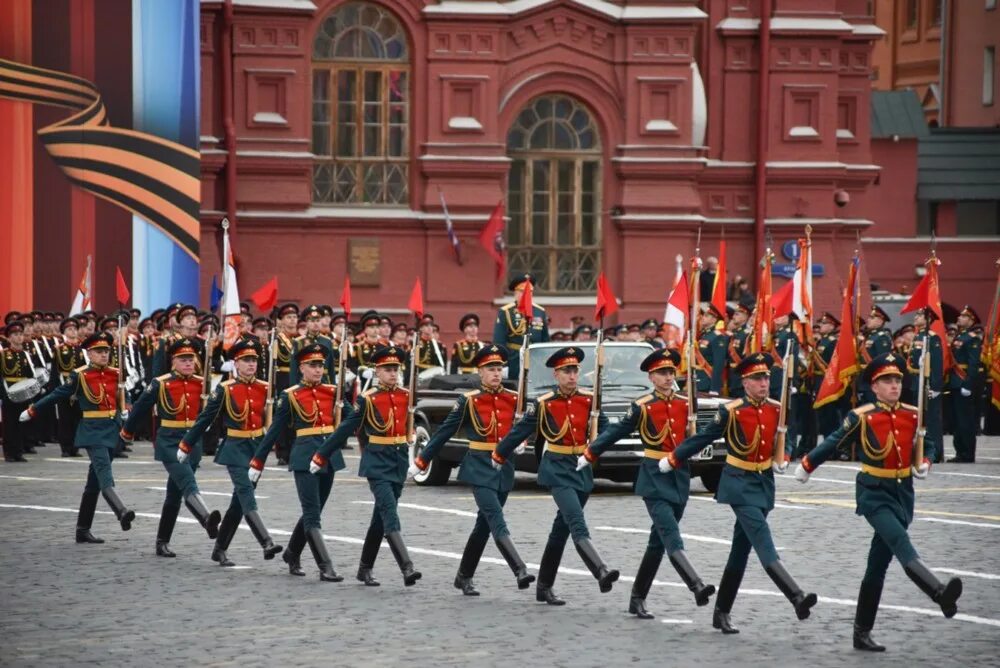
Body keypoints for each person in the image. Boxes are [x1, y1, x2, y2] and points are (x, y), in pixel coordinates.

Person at [795, 352, 963, 651]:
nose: (894, 385)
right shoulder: (861, 416)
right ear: (874, 386)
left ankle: (861, 632)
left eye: (897, 379)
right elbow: (835, 441)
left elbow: (930, 442)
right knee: (900, 543)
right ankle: (937, 592)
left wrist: (926, 459)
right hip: (874, 492)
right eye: (887, 381)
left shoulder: (913, 413)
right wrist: (808, 464)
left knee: (876, 568)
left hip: (903, 494)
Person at [663, 352, 817, 633]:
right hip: (738, 484)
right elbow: (704, 437)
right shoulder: (731, 410)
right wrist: (675, 457)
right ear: (745, 382)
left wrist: (784, 456)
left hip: (763, 483)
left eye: (766, 377)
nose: (763, 383)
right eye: (757, 378)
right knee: (762, 539)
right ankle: (796, 595)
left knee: (739, 552)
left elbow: (783, 436)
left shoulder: (776, 407)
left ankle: (721, 613)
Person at [582, 348, 715, 619]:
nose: (668, 377)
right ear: (651, 377)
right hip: (654, 477)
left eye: (670, 372)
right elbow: (616, 431)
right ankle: (696, 584)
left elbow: (698, 435)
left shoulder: (685, 402)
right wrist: (590, 452)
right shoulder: (642, 405)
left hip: (679, 476)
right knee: (670, 534)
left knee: (658, 542)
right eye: (662, 373)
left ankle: (637, 598)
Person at [492, 346, 616, 605]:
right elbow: (519, 431)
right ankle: (600, 569)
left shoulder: (589, 400)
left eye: (575, 371)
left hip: (581, 467)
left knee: (561, 531)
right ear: (556, 374)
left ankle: (544, 587)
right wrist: (499, 454)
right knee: (576, 520)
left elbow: (606, 431)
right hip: (556, 468)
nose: (572, 376)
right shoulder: (544, 403)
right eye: (566, 371)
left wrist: (595, 448)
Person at [409, 345, 536, 595]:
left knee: (483, 525)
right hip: (479, 465)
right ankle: (519, 568)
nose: (496, 373)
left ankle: (463, 576)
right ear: (480, 372)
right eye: (491, 369)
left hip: (504, 466)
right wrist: (422, 461)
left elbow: (523, 427)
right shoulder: (469, 400)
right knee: (495, 518)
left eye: (499, 368)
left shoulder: (514, 398)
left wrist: (521, 441)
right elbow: (444, 432)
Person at [313, 345, 422, 587]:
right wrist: (322, 454)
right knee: (390, 513)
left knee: (380, 519)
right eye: (388, 370)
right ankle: (407, 567)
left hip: (398, 461)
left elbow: (407, 423)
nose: (393, 374)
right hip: (377, 462)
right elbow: (345, 428)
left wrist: (411, 433)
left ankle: (364, 568)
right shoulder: (368, 399)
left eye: (396, 369)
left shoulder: (407, 395)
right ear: (377, 371)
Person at [21, 332, 136, 542]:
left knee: (93, 482)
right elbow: (58, 394)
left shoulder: (115, 373)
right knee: (104, 473)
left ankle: (82, 529)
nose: (104, 355)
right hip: (92, 431)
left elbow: (123, 393)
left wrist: (126, 406)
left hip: (112, 429)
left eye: (106, 351)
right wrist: (33, 410)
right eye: (99, 352)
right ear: (89, 354)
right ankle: (121, 511)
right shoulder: (80, 375)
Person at [180, 338, 283, 566]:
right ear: (236, 363)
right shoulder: (225, 389)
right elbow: (205, 418)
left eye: (254, 360)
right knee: (246, 494)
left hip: (256, 449)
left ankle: (220, 549)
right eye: (246, 360)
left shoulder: (265, 388)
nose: (251, 365)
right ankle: (266, 541)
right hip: (235, 449)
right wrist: (186, 444)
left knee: (238, 504)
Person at [251, 343, 347, 581]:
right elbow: (274, 431)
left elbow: (353, 419)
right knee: (312, 514)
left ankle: (292, 553)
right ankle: (326, 566)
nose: (317, 370)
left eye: (320, 365)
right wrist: (258, 461)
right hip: (305, 458)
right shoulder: (291, 395)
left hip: (330, 457)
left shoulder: (333, 391)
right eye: (312, 366)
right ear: (301, 367)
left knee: (314, 511)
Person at [122, 338, 222, 555]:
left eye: (190, 359)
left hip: (192, 442)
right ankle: (206, 518)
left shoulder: (202, 383)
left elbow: (215, 411)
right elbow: (140, 408)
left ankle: (162, 542)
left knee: (174, 494)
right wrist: (127, 430)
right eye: (183, 360)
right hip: (169, 440)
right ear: (173, 362)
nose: (188, 363)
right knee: (187, 482)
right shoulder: (161, 383)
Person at [493, 274, 549, 379]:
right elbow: (499, 341)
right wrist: (502, 363)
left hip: (535, 358)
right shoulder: (506, 311)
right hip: (514, 358)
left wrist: (544, 361)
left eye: (530, 292)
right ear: (515, 292)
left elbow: (545, 339)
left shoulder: (540, 311)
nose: (527, 294)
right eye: (522, 291)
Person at [949, 305, 982, 462]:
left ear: (971, 320)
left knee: (965, 420)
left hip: (963, 382)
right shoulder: (959, 336)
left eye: (963, 316)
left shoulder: (972, 338)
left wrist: (968, 385)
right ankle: (959, 451)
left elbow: (973, 364)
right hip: (954, 382)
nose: (959, 318)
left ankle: (968, 453)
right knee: (956, 419)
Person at [2, 321, 38, 462]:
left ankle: (19, 451)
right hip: (9, 392)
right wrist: (3, 394)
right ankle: (9, 452)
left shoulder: (26, 355)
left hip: (23, 393)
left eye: (20, 334)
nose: (18, 337)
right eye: (15, 335)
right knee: (9, 424)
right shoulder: (3, 355)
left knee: (21, 422)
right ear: (9, 338)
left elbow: (31, 374)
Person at [859, 306, 893, 405]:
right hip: (864, 378)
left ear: (880, 321)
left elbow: (882, 361)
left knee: (875, 407)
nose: (868, 320)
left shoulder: (882, 337)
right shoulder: (870, 336)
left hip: (874, 379)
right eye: (869, 317)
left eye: (872, 318)